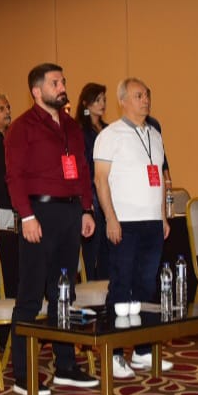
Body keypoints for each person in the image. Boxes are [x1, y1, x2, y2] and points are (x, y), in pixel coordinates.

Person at [5, 63, 99, 395]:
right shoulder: (22, 127)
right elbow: (14, 177)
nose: (62, 87)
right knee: (30, 295)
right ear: (36, 91)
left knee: (64, 293)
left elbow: (82, 171)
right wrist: (27, 216)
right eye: (55, 83)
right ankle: (23, 374)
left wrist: (86, 209)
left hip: (71, 213)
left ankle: (65, 366)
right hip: (39, 214)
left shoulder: (72, 126)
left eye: (63, 81)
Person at [93, 78, 174, 379]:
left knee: (146, 287)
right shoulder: (109, 135)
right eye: (139, 95)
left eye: (147, 95)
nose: (145, 100)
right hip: (124, 222)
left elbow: (160, 179)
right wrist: (110, 218)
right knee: (121, 286)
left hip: (152, 222)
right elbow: (100, 180)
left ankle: (142, 350)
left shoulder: (155, 134)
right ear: (123, 101)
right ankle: (113, 353)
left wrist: (162, 217)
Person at [76, 82, 110, 281]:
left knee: (108, 245)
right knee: (92, 245)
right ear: (86, 104)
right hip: (90, 192)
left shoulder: (108, 129)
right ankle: (89, 284)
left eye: (104, 99)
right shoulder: (80, 131)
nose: (102, 104)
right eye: (97, 100)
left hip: (108, 190)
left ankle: (106, 285)